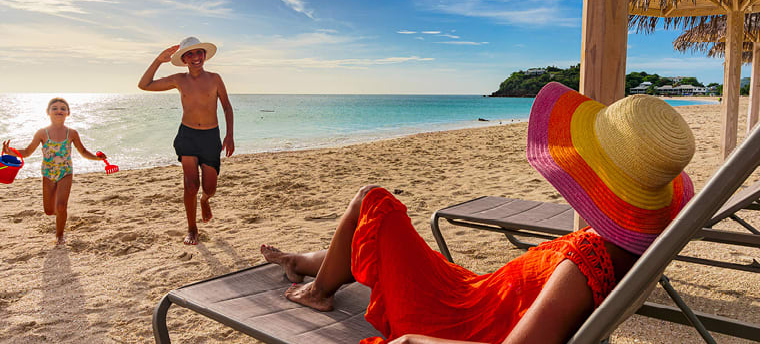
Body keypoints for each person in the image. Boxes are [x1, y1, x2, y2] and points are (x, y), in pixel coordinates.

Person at [258, 83, 697, 344]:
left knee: (373, 200)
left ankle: (318, 287)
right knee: (373, 210)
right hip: (472, 292)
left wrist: (417, 341)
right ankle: (313, 264)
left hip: (457, 316)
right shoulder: (625, 253)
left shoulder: (582, 269)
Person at [136, 37, 234, 245]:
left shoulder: (215, 78)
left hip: (210, 137)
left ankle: (205, 200)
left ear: (204, 55)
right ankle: (191, 228)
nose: (195, 57)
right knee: (191, 184)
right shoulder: (179, 79)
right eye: (189, 54)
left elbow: (226, 106)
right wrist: (158, 61)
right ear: (184, 59)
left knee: (210, 187)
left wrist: (229, 135)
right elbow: (144, 85)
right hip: (187, 135)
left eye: (198, 53)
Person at [4, 97, 107, 247]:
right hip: (47, 173)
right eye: (55, 108)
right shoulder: (42, 133)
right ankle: (61, 217)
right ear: (48, 112)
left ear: (68, 113)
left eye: (63, 108)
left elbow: (83, 151)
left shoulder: (71, 133)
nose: (59, 110)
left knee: (61, 206)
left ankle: (60, 236)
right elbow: (26, 152)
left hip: (66, 172)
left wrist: (97, 159)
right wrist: (11, 152)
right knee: (49, 210)